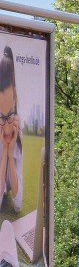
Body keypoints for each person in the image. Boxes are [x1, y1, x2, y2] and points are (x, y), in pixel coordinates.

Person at [0, 46, 21, 215]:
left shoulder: (18, 138)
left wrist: (10, 154)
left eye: (10, 115)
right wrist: (4, 155)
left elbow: (18, 204)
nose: (7, 129)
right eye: (1, 118)